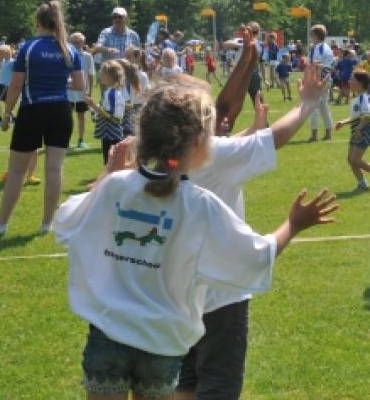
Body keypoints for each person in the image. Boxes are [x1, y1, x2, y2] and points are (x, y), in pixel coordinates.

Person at [53, 83, 338, 400]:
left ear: (142, 135)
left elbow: (66, 221)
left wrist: (108, 174)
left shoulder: (116, 186)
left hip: (107, 334)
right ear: (203, 143)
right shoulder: (201, 205)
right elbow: (258, 256)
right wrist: (293, 224)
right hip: (161, 343)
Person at [0, 0, 84, 235]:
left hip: (32, 111)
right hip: (61, 111)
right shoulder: (69, 49)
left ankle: (1, 224)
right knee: (54, 169)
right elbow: (80, 85)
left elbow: (16, 85)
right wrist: (59, 81)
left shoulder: (29, 48)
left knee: (17, 171)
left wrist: (7, 113)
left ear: (38, 22)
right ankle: (47, 223)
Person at [333, 70, 370, 192]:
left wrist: (359, 128)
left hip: (362, 131)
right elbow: (356, 116)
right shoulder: (357, 98)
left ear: (360, 83)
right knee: (350, 159)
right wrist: (344, 122)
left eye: (352, 80)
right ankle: (363, 184)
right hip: (356, 130)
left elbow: (368, 116)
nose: (349, 82)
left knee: (355, 160)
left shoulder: (363, 98)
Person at [85, 60, 126, 165]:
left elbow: (112, 116)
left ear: (110, 76)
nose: (100, 75)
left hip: (111, 133)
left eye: (102, 73)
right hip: (111, 133)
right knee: (111, 161)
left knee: (110, 162)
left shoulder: (112, 94)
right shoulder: (113, 92)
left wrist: (93, 105)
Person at [65, 34, 95, 149]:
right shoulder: (67, 55)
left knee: (81, 117)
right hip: (68, 92)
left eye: (80, 42)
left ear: (83, 43)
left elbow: (91, 75)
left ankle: (81, 140)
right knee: (67, 118)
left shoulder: (88, 57)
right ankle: (66, 141)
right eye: (75, 42)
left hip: (83, 92)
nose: (78, 44)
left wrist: (90, 91)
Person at [308, 24, 334, 142]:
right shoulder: (328, 48)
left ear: (315, 35)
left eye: (311, 35)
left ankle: (314, 135)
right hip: (327, 77)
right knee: (324, 106)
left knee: (314, 106)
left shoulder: (317, 48)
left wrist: (313, 79)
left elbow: (316, 64)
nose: (310, 38)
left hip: (319, 77)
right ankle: (328, 132)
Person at [0, 45, 15, 127]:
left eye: (0, 53)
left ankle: (0, 120)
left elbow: (16, 74)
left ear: (5, 54)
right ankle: (14, 118)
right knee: (6, 102)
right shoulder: (4, 62)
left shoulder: (12, 62)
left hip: (6, 85)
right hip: (2, 85)